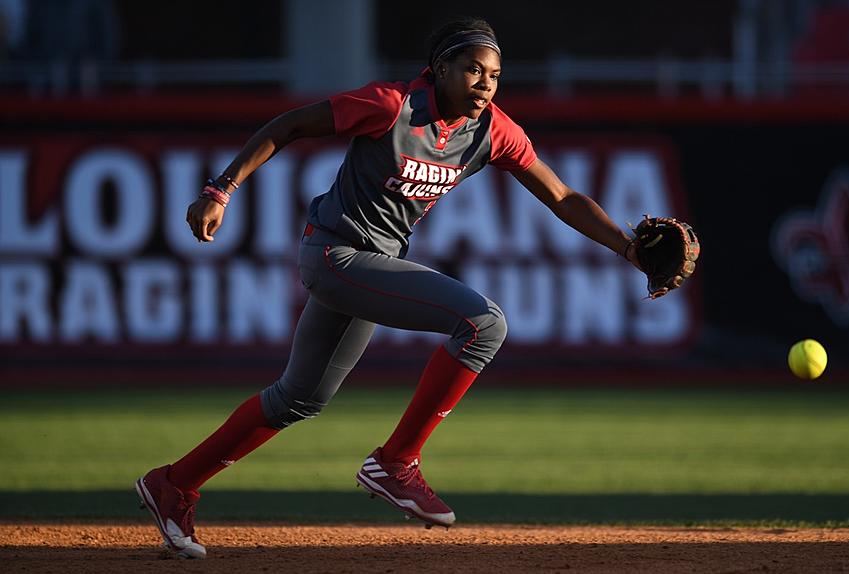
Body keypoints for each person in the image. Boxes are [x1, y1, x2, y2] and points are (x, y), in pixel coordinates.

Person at [135, 17, 645, 560]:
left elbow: (562, 197)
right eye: (472, 69)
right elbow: (288, 125)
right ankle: (397, 462)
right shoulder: (391, 105)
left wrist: (630, 248)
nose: (485, 84)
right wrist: (221, 188)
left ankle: (174, 483)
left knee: (297, 398)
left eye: (495, 74)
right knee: (484, 323)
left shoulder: (493, 130)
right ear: (440, 68)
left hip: (370, 261)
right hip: (335, 255)